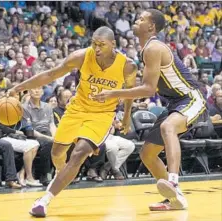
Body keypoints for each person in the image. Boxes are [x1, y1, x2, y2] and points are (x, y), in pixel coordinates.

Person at [8, 26, 137, 217]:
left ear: (113, 44)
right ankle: (64, 172)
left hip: (102, 115)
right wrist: (20, 87)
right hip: (77, 109)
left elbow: (129, 93)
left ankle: (44, 200)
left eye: (102, 45)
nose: (97, 48)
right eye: (94, 43)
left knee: (79, 153)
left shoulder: (128, 65)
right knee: (57, 153)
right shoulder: (82, 56)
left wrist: (126, 117)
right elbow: (51, 74)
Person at [95, 9, 207, 211]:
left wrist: (113, 93)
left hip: (191, 98)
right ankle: (174, 199)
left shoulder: (154, 47)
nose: (136, 21)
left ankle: (172, 181)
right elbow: (142, 87)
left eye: (141, 19)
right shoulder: (146, 49)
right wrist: (127, 117)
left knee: (168, 127)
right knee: (147, 154)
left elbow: (148, 89)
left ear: (151, 26)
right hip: (174, 103)